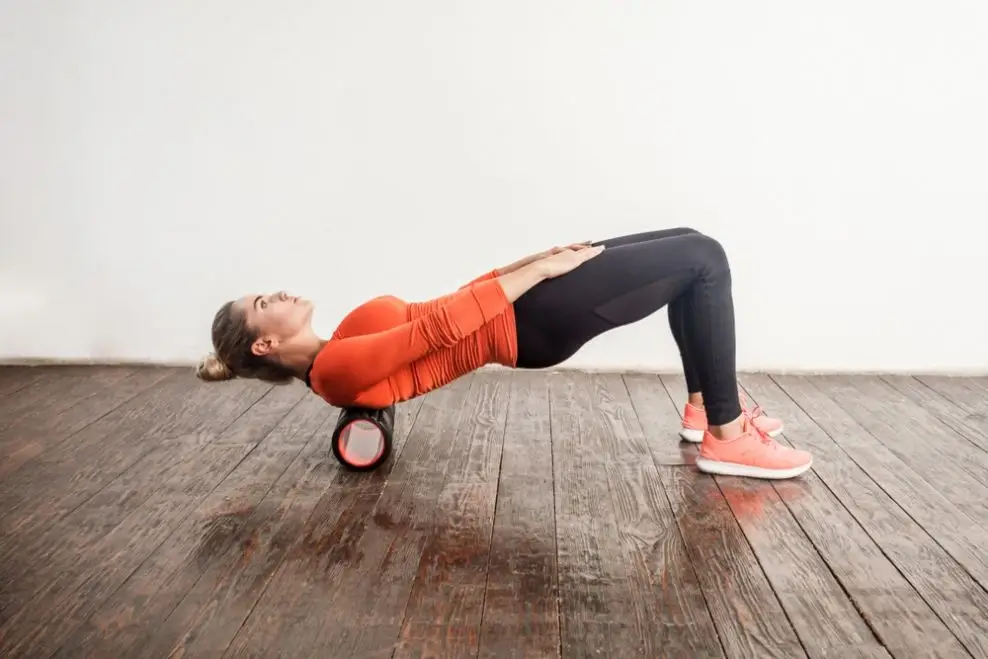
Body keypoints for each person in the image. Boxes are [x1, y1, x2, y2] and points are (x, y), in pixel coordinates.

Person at [197, 227, 812, 480]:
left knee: (687, 244)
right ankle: (727, 436)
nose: (278, 292)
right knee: (704, 260)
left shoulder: (338, 344)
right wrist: (537, 274)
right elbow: (442, 330)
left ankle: (706, 409)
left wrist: (530, 261)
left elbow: (446, 304)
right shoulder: (334, 371)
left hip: (516, 306)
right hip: (529, 327)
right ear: (264, 343)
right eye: (264, 302)